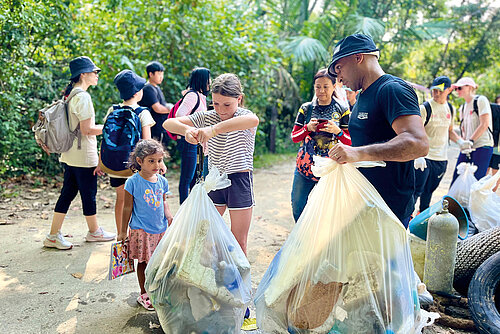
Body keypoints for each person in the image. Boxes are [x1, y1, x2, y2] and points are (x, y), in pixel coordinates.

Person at [327, 34, 429, 227]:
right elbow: (367, 140)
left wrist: (358, 153)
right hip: (364, 202)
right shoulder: (362, 96)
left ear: (358, 58)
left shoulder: (392, 89)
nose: (338, 77)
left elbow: (419, 144)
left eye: (339, 67)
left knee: (385, 259)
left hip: (388, 209)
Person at [163, 73, 259, 255]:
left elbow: (253, 120)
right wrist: (188, 130)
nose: (221, 110)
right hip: (215, 180)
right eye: (215, 103)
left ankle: (239, 283)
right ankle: (213, 279)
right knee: (204, 234)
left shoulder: (243, 115)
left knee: (239, 241)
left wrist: (213, 130)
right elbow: (169, 123)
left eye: (227, 104)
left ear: (239, 99)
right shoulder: (207, 116)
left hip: (240, 180)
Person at [43, 56, 116, 250]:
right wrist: (109, 126)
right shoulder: (83, 97)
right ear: (83, 74)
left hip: (70, 154)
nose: (97, 75)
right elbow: (87, 130)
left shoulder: (71, 95)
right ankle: (93, 232)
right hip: (83, 155)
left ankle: (53, 235)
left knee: (68, 193)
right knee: (88, 193)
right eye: (94, 72)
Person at [117, 139, 173, 311]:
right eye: (151, 161)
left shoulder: (162, 181)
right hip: (141, 230)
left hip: (160, 229)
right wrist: (122, 231)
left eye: (159, 160)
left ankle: (157, 289)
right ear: (139, 161)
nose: (157, 164)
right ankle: (144, 293)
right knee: (143, 262)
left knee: (160, 262)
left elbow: (163, 202)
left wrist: (169, 216)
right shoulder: (132, 182)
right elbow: (127, 207)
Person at [290, 68, 351, 222]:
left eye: (325, 86)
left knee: (328, 210)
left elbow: (351, 142)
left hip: (330, 169)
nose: (321, 91)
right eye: (318, 87)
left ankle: (321, 242)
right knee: (298, 206)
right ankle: (302, 238)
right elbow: (294, 138)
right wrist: (307, 128)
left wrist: (337, 132)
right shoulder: (306, 108)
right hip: (304, 167)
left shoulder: (343, 110)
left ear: (334, 87)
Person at [103, 70, 156, 235]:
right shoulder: (142, 113)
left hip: (115, 164)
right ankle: (139, 236)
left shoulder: (112, 110)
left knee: (121, 199)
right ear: (136, 92)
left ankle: (121, 235)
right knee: (138, 201)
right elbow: (147, 144)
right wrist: (155, 165)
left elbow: (105, 139)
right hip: (135, 166)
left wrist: (101, 163)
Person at [413, 76, 463, 213]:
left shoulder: (450, 109)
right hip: (424, 158)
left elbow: (450, 131)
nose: (437, 93)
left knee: (428, 192)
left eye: (440, 90)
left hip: (441, 159)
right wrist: (417, 154)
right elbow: (414, 131)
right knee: (416, 191)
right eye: (434, 90)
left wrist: (460, 142)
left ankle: (421, 218)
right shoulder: (425, 108)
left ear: (448, 90)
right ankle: (406, 219)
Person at [175, 67, 211, 204]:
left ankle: (191, 209)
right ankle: (183, 209)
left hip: (196, 143)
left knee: (195, 177)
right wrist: (191, 130)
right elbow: (179, 116)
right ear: (202, 80)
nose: (210, 82)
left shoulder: (200, 97)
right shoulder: (192, 96)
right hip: (188, 141)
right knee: (187, 177)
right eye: (208, 79)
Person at [450, 77, 493, 183]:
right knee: (457, 178)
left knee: (476, 181)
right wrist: (463, 143)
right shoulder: (462, 107)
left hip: (482, 145)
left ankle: (473, 200)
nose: (457, 91)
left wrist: (471, 140)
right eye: (456, 89)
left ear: (469, 87)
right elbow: (464, 129)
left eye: (459, 88)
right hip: (467, 148)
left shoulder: (480, 100)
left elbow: (484, 124)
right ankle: (452, 200)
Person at [138, 61, 172, 147]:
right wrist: (173, 109)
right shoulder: (148, 88)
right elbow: (158, 108)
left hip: (160, 128)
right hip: (154, 129)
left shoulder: (156, 88)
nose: (161, 77)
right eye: (159, 74)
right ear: (151, 74)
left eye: (162, 74)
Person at [487, 94, 500, 192]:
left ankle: (492, 192)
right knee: (485, 170)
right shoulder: (492, 112)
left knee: (495, 173)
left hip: (498, 149)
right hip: (489, 144)